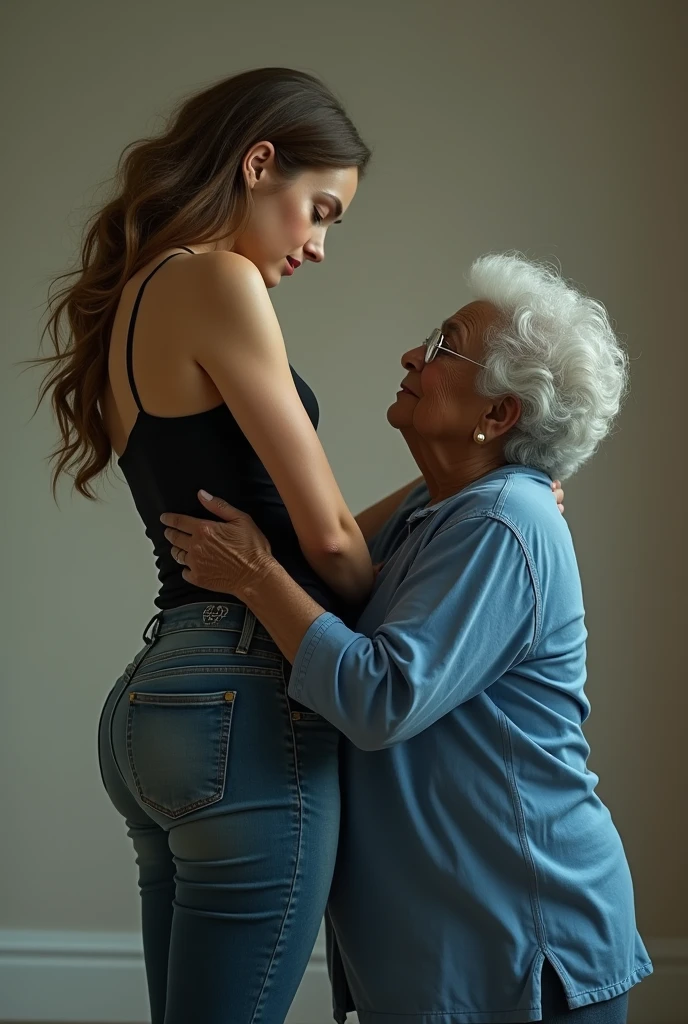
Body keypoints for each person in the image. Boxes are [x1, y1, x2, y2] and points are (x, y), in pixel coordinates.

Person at [162, 253, 651, 1024]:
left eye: (444, 346)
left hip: (520, 944)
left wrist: (254, 577)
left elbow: (378, 697)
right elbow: (329, 560)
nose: (413, 357)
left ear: (498, 416)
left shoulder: (501, 520)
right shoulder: (453, 509)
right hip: (449, 942)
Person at [38, 67, 379, 1024]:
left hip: (158, 708)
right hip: (247, 705)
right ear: (258, 162)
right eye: (319, 211)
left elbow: (312, 529)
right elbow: (329, 539)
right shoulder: (217, 277)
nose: (316, 247)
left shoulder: (137, 296)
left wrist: (452, 499)